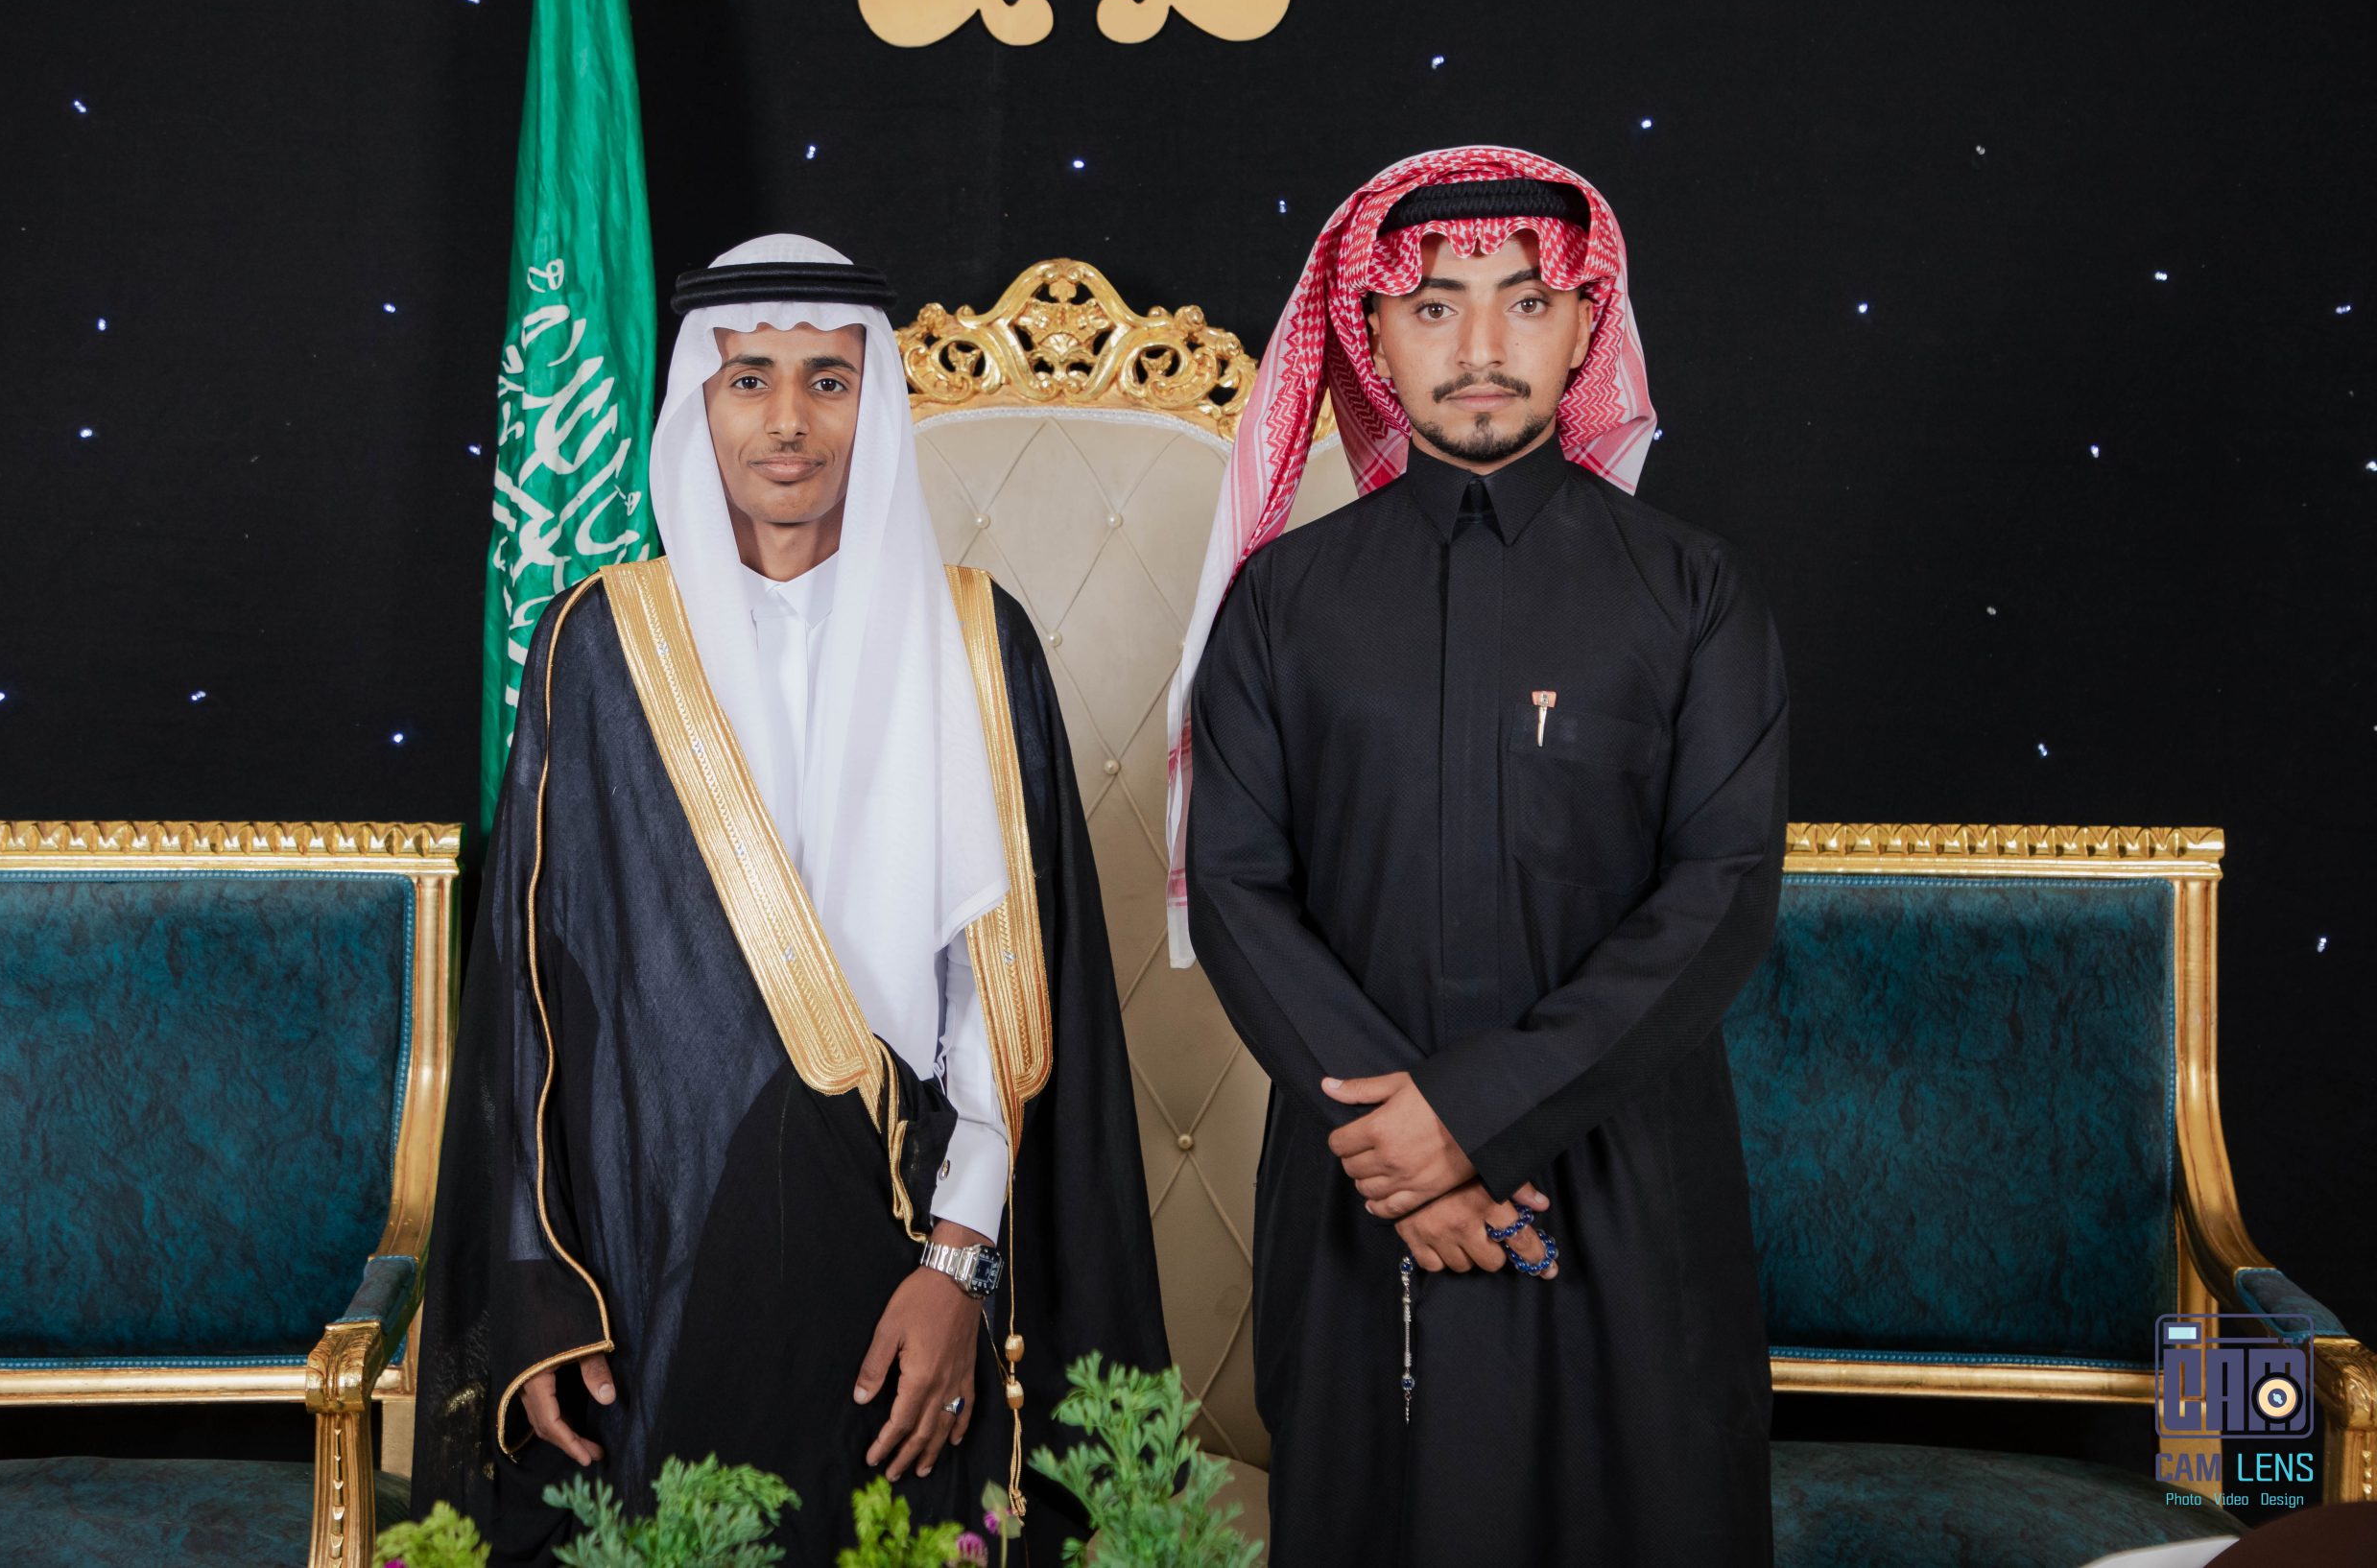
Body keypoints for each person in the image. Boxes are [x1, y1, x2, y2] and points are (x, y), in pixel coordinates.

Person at [415, 234, 1167, 1564]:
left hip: (901, 1255)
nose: (787, 423)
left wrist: (957, 1270)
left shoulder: (976, 639)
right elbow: (532, 997)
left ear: (875, 404)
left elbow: (1000, 1002)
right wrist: (542, 1286)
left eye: (829, 380)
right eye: (748, 378)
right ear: (696, 407)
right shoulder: (601, 644)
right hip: (653, 1270)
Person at [1167, 148, 1785, 1564]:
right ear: (1372, 337)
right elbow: (1239, 891)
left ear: (1585, 328)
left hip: (1619, 1182)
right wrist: (1411, 1150)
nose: (1483, 346)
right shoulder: (1282, 601)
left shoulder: (1694, 592)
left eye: (1526, 302)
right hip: (1360, 1189)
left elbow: (1720, 897)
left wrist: (1466, 1119)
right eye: (1436, 307)